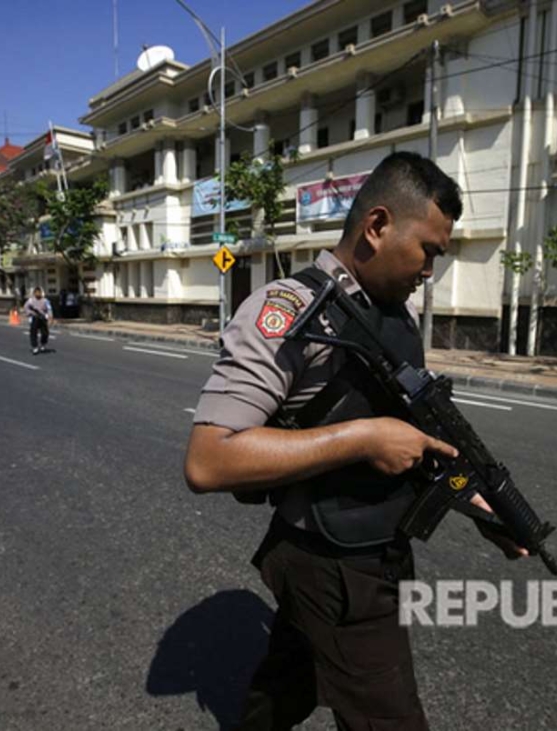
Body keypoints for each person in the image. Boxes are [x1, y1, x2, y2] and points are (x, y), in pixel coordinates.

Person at [184, 152, 526, 731]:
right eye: (428, 252)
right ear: (376, 227)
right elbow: (209, 460)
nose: (430, 271)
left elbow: (417, 437)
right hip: (333, 561)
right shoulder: (286, 310)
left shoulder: (391, 315)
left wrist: (478, 504)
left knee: (291, 681)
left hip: (371, 543)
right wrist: (363, 438)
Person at [23, 287, 53, 354]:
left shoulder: (45, 301)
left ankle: (43, 344)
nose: (37, 294)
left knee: (45, 333)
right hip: (34, 318)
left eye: (39, 292)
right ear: (34, 293)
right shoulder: (30, 301)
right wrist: (31, 313)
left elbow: (49, 309)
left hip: (42, 318)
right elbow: (25, 308)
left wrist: (50, 317)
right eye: (36, 292)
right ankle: (35, 347)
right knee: (33, 332)